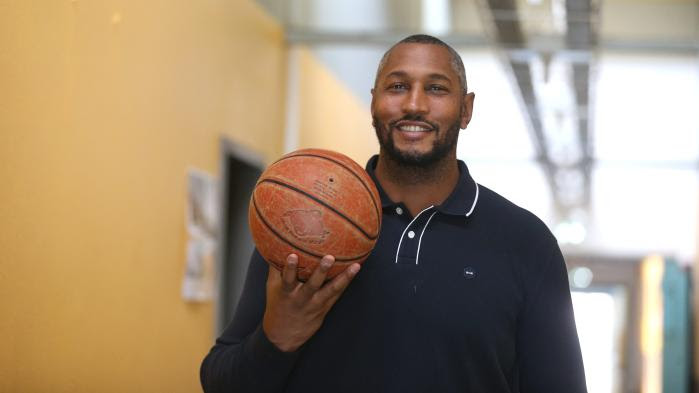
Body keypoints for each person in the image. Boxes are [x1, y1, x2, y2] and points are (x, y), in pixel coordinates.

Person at [200, 34, 587, 393]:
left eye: (436, 88)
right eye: (397, 86)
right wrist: (275, 340)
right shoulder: (303, 224)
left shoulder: (525, 243)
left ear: (466, 109)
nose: (414, 104)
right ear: (373, 102)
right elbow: (220, 382)